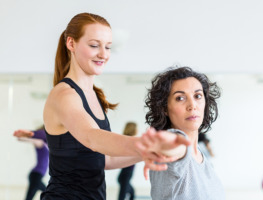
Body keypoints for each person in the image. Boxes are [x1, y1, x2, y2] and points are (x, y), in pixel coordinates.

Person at [41, 13, 190, 200]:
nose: (103, 54)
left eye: (108, 47)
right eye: (94, 45)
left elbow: (105, 159)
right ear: (71, 44)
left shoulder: (94, 96)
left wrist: (149, 152)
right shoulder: (64, 95)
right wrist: (142, 144)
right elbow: (92, 138)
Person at [142, 66, 225, 200]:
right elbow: (175, 147)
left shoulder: (200, 154)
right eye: (180, 98)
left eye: (198, 96)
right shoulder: (177, 148)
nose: (192, 105)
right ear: (164, 108)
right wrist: (163, 145)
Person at [13, 126, 49, 200]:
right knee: (46, 193)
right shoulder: (41, 143)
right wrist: (22, 137)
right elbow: (32, 140)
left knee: (47, 193)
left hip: (38, 175)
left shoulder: (48, 146)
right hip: (36, 174)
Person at [117, 122, 138, 200]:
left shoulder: (126, 139)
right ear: (133, 130)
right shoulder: (131, 140)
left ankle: (132, 195)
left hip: (128, 168)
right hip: (128, 168)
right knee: (123, 188)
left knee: (125, 186)